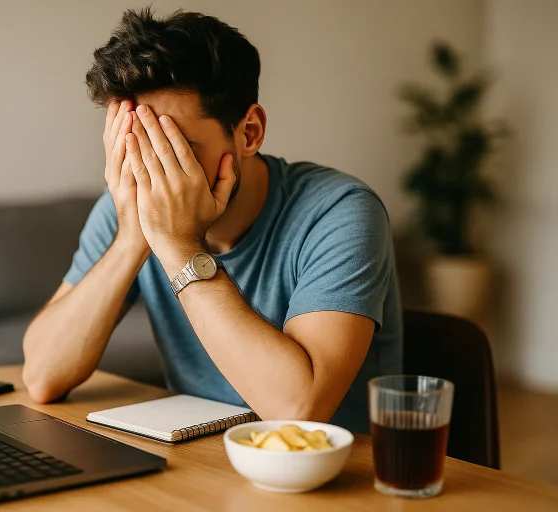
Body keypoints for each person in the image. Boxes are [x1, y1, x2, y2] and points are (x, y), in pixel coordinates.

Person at [22, 7, 402, 433]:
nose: (151, 173)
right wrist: (132, 238)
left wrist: (179, 247)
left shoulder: (340, 211)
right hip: (199, 459)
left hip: (330, 468)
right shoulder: (128, 207)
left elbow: (299, 411)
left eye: (174, 149)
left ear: (249, 132)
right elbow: (41, 375)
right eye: (135, 147)